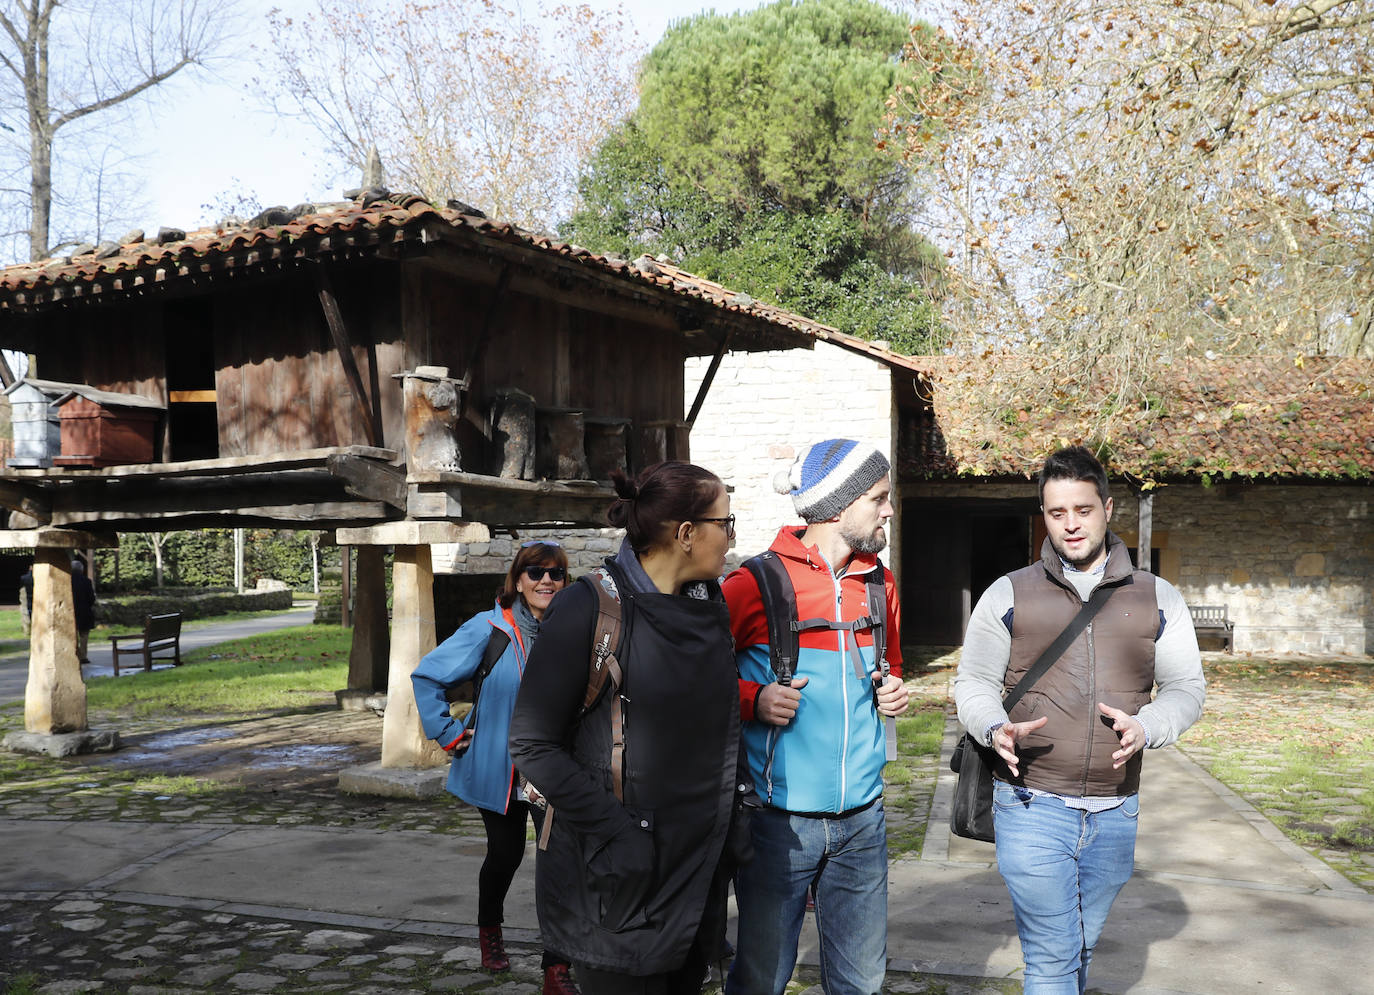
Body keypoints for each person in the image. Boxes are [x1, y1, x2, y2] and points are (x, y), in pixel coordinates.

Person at [953, 445, 1206, 995]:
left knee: (1082, 944)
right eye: (1056, 512)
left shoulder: (1159, 597)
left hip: (1117, 809)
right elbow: (971, 684)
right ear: (1043, 516)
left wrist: (1150, 725)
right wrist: (994, 727)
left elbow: (1187, 688)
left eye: (1082, 510)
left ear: (1108, 508)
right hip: (1030, 805)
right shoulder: (1009, 592)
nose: (1070, 525)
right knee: (1052, 954)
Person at [509, 461, 744, 995]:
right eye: (725, 524)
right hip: (618, 872)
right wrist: (618, 833)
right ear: (686, 534)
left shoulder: (709, 602)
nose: (730, 539)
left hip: (695, 865)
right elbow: (531, 743)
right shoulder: (589, 606)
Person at [725, 439, 910, 995]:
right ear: (837, 506)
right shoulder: (753, 583)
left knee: (862, 983)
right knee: (761, 979)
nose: (889, 510)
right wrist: (752, 699)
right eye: (878, 498)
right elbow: (696, 684)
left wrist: (893, 691)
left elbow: (892, 665)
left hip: (864, 818)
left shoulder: (880, 583)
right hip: (778, 822)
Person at [412, 540, 581, 995]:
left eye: (556, 573)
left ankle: (556, 966)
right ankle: (491, 931)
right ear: (518, 579)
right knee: (504, 856)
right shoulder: (489, 629)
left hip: (556, 770)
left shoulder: (577, 629)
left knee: (560, 864)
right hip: (499, 767)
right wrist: (445, 731)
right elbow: (428, 675)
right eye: (534, 571)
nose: (546, 580)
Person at [71, 560, 96, 664]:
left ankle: (73, 655)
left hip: (71, 612)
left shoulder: (67, 581)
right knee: (84, 635)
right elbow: (91, 598)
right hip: (85, 612)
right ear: (82, 570)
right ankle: (83, 656)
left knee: (72, 635)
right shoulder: (87, 581)